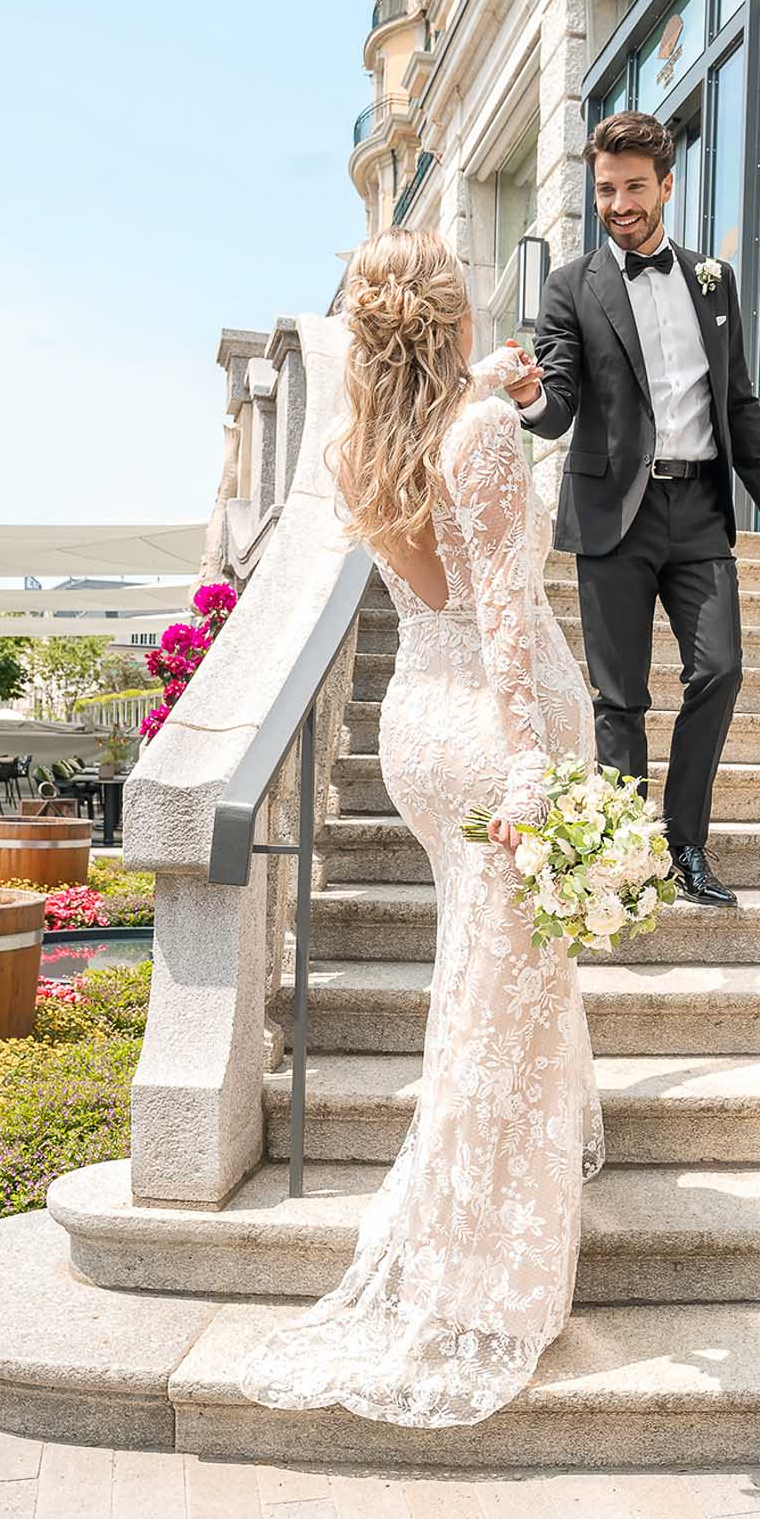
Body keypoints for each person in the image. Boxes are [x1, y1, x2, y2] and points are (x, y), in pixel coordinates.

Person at [236, 227, 604, 1429]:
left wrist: (488, 386)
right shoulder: (482, 435)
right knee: (508, 999)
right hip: (502, 726)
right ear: (449, 322)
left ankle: (475, 1230)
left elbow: (437, 518)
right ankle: (475, 1273)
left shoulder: (353, 448)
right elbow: (504, 613)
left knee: (486, 979)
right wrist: (538, 775)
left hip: (420, 734)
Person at [509, 109, 760, 907]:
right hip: (612, 512)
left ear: (666, 186)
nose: (619, 203)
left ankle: (685, 844)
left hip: (699, 508)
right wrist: (532, 393)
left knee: (721, 670)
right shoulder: (570, 286)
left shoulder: (713, 280)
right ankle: (624, 858)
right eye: (605, 189)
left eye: (635, 187)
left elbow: (734, 393)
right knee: (620, 697)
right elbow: (559, 404)